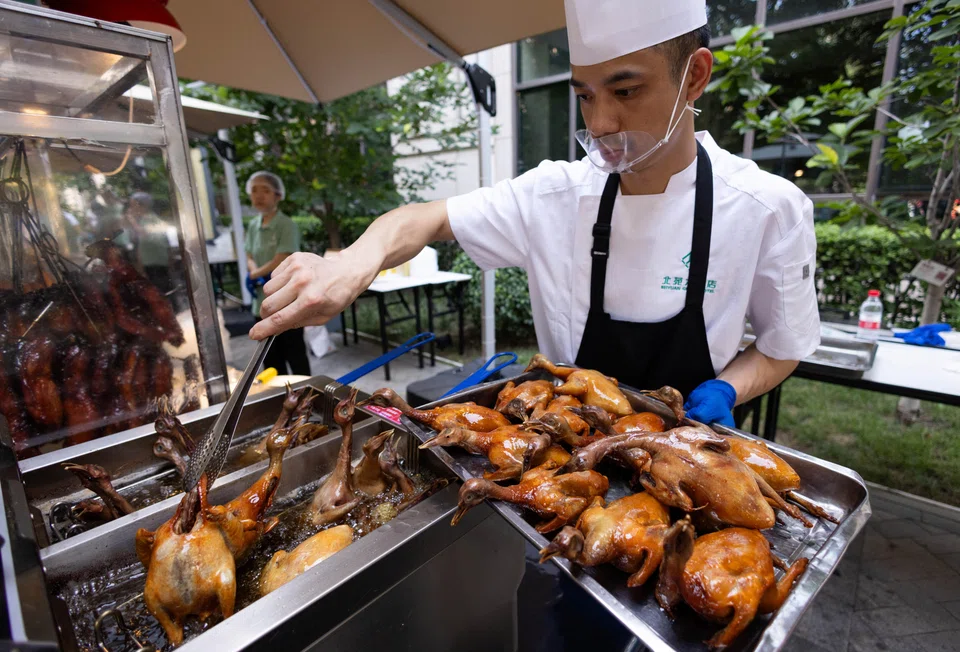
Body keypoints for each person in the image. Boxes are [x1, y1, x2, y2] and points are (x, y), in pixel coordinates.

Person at [249, 0, 820, 427]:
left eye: (624, 92)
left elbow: (780, 346)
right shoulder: (556, 194)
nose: (598, 124)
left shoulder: (767, 208)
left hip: (691, 453)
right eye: (585, 94)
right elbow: (425, 219)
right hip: (561, 456)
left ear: (694, 75)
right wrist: (355, 260)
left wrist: (727, 389)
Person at [244, 171, 311, 376]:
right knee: (270, 357)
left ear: (278, 195)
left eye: (265, 190)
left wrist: (255, 274)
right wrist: (253, 270)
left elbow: (282, 257)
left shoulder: (286, 225)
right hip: (261, 301)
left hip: (286, 300)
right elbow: (248, 252)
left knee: (295, 352)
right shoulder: (253, 225)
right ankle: (277, 400)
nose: (259, 196)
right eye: (254, 190)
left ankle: (307, 397)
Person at [124, 191, 177, 293]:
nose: (131, 209)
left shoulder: (150, 218)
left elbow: (145, 234)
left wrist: (132, 220)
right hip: (151, 262)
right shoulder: (144, 219)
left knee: (162, 291)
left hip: (156, 262)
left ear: (142, 206)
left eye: (133, 205)